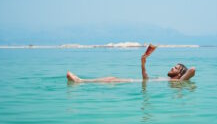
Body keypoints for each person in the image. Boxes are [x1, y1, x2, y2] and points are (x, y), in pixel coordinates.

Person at [66, 46, 196, 83]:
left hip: (134, 82)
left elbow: (192, 70)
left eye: (176, 68)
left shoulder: (178, 82)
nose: (172, 67)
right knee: (111, 78)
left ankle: (80, 81)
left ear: (179, 73)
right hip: (137, 81)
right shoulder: (169, 80)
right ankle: (81, 81)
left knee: (110, 80)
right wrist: (143, 64)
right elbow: (146, 79)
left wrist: (182, 77)